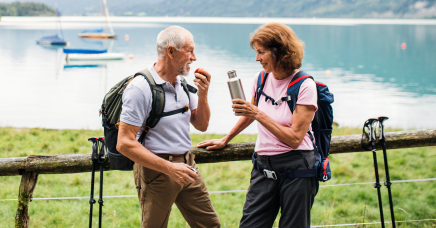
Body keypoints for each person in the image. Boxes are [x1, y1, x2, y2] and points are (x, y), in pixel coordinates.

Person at [198, 23, 318, 228]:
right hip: (263, 166)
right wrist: (226, 139)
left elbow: (295, 138)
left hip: (298, 167)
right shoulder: (261, 79)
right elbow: (250, 113)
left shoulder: (305, 85)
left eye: (261, 52)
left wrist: (257, 113)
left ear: (279, 51)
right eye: (256, 52)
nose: (257, 58)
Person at [117, 26, 221, 228]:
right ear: (171, 51)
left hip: (188, 166)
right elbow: (124, 143)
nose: (194, 57)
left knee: (210, 225)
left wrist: (203, 94)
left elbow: (201, 124)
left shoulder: (182, 83)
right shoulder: (140, 88)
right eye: (189, 51)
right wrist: (169, 169)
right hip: (157, 170)